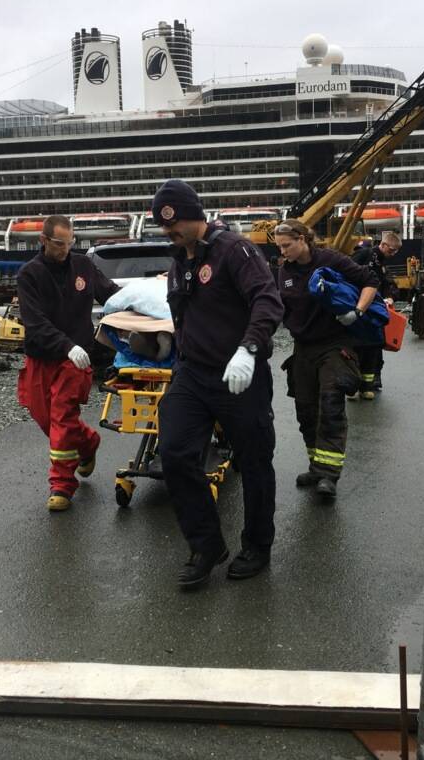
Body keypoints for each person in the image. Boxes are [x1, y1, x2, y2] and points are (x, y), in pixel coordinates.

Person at [152, 179, 284, 589]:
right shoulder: (179, 262)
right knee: (173, 453)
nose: (169, 230)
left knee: (255, 461)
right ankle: (206, 544)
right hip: (192, 374)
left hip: (238, 374)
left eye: (176, 222)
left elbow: (267, 300)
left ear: (196, 215)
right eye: (164, 225)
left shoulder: (236, 251)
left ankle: (257, 545)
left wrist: (249, 348)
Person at [16, 215, 120, 511]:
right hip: (42, 357)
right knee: (44, 418)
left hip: (75, 361)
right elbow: (35, 322)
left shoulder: (83, 267)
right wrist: (65, 345)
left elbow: (109, 294)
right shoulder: (29, 275)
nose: (65, 249)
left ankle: (62, 485)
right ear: (44, 241)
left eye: (70, 243)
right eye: (60, 244)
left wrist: (140, 301)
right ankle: (88, 443)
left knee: (62, 417)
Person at [274, 219, 379, 498]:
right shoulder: (284, 271)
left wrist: (356, 311)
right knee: (306, 410)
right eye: (279, 247)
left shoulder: (330, 260)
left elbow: (370, 282)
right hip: (303, 348)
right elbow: (278, 307)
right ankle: (317, 466)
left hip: (334, 344)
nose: (283, 252)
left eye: (287, 246)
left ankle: (330, 476)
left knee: (330, 405)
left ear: (302, 240)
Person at [351, 231, 401, 398]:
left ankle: (370, 382)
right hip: (362, 305)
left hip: (374, 306)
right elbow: (349, 274)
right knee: (359, 345)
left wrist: (390, 296)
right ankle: (355, 383)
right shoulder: (364, 255)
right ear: (384, 245)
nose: (393, 254)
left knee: (375, 345)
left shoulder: (381, 262)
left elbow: (385, 282)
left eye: (395, 252)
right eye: (392, 250)